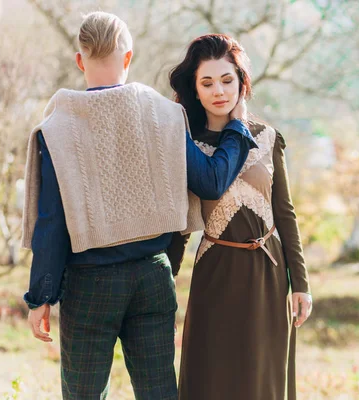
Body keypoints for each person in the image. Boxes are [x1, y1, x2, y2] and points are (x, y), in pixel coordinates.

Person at [22, 13, 256, 400]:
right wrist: (237, 128)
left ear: (80, 61)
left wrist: (40, 296)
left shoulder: (58, 127)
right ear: (127, 57)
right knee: (160, 392)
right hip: (152, 277)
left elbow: (51, 223)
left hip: (89, 282)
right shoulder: (162, 112)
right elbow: (211, 180)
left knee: (83, 394)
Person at [168, 34, 313, 400]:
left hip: (268, 274)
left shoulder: (267, 137)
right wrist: (162, 283)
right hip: (214, 273)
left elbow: (286, 213)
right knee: (213, 377)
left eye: (227, 79)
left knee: (262, 378)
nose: (219, 90)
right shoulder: (185, 142)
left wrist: (301, 283)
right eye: (208, 82)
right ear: (195, 90)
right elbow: (178, 225)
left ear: (242, 82)